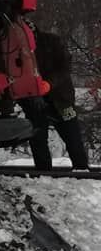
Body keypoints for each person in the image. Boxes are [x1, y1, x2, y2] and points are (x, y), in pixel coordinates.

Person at [21, 23, 90, 170]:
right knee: (37, 138)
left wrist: (49, 84)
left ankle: (81, 168)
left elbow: (65, 68)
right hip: (34, 100)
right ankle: (43, 172)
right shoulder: (16, 48)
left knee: (72, 135)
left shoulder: (52, 42)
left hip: (61, 98)